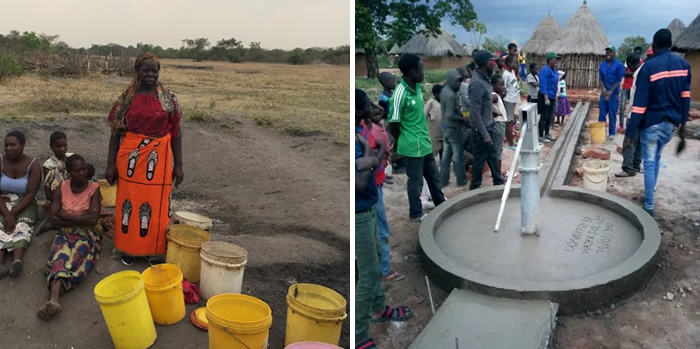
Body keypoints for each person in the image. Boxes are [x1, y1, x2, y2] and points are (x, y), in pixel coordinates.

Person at [105, 53, 184, 266]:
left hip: (160, 159)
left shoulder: (169, 99)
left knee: (157, 205)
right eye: (146, 70)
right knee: (130, 202)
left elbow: (176, 132)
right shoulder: (126, 99)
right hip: (131, 157)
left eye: (154, 70)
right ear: (137, 72)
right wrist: (110, 164)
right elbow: (115, 133)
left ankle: (155, 249)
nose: (150, 74)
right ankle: (130, 248)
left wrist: (179, 165)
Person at [355, 89, 413, 349]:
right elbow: (358, 182)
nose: (373, 107)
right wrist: (371, 153)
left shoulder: (362, 128)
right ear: (358, 111)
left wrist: (371, 159)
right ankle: (358, 335)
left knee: (377, 258)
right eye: (367, 105)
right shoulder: (357, 139)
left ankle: (378, 309)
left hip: (369, 205)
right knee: (367, 273)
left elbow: (368, 166)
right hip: (359, 211)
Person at [625, 29, 691, 217]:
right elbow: (685, 97)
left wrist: (630, 133)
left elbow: (639, 106)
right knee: (657, 158)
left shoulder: (649, 67)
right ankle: (649, 193)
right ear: (670, 45)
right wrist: (683, 126)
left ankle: (649, 204)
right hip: (670, 125)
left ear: (654, 45)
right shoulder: (684, 65)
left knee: (650, 162)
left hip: (652, 124)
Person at [38, 154, 102, 320]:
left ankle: (53, 300)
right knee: (59, 259)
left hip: (87, 234)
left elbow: (93, 219)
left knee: (77, 261)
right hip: (65, 232)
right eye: (77, 170)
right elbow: (53, 217)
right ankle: (54, 301)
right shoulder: (62, 187)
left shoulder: (94, 188)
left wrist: (65, 216)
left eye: (84, 169)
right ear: (69, 172)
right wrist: (80, 217)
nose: (82, 173)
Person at [388, 54, 446, 221]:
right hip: (412, 146)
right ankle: (416, 213)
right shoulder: (399, 94)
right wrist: (402, 140)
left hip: (424, 143)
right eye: (421, 70)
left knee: (434, 177)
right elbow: (393, 123)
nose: (423, 72)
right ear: (413, 72)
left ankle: (441, 205)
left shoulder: (418, 87)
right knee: (415, 182)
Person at [0, 131, 41, 278]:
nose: (9, 148)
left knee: (22, 226)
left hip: (24, 203)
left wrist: (13, 213)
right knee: (2, 226)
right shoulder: (0, 161)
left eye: (13, 145)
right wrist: (6, 214)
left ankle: (17, 260)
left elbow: (31, 194)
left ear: (22, 145)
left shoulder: (33, 165)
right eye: (6, 145)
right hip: (2, 202)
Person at [468, 50, 505, 190]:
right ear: (485, 63)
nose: (494, 63)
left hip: (487, 126)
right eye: (492, 61)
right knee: (479, 161)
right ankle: (474, 188)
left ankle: (498, 182)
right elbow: (475, 112)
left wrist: (492, 123)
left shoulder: (485, 79)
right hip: (480, 131)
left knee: (492, 156)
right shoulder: (477, 83)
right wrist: (484, 134)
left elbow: (485, 107)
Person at [615, 53, 644, 178]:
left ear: (631, 65)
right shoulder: (645, 70)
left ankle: (628, 168)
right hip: (644, 113)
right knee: (639, 142)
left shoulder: (637, 74)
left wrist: (630, 114)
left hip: (635, 113)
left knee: (629, 141)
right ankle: (636, 165)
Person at [440, 70, 467, 188]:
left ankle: (443, 180)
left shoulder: (444, 91)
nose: (459, 85)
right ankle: (461, 180)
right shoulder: (451, 95)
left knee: (446, 155)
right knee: (458, 156)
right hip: (453, 127)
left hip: (445, 127)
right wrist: (463, 120)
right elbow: (450, 114)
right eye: (457, 82)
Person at [377, 72, 404, 175]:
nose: (395, 83)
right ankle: (396, 166)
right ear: (388, 83)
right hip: (390, 122)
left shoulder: (391, 95)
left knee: (399, 142)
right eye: (393, 81)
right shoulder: (383, 98)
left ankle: (400, 162)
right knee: (392, 144)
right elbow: (383, 113)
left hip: (395, 121)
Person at [598, 45, 626, 140]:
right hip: (604, 93)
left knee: (612, 114)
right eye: (607, 51)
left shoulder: (619, 65)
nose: (608, 53)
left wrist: (610, 91)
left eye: (610, 51)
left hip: (613, 94)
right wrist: (604, 90)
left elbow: (618, 80)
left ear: (614, 53)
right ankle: (600, 133)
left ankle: (611, 133)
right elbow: (601, 79)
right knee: (602, 114)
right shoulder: (602, 65)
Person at [43, 131, 73, 203]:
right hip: (57, 199)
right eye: (58, 146)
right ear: (51, 147)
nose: (62, 149)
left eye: (64, 145)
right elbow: (48, 192)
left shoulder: (72, 158)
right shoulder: (48, 165)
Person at [538, 52, 561, 143]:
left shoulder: (554, 70)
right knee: (544, 116)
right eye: (554, 59)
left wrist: (555, 96)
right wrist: (546, 97)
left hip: (552, 96)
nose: (556, 61)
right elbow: (543, 84)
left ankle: (547, 133)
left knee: (550, 116)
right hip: (545, 96)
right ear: (549, 60)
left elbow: (554, 83)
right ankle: (540, 135)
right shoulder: (545, 71)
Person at [619, 46, 643, 130]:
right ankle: (621, 125)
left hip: (635, 113)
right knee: (622, 105)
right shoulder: (637, 69)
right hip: (626, 87)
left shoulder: (640, 70)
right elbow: (622, 73)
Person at [491, 75, 508, 177]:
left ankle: (497, 172)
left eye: (503, 85)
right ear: (493, 85)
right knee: (498, 150)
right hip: (498, 123)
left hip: (500, 122)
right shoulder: (494, 96)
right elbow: (486, 101)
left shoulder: (497, 95)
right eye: (500, 85)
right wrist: (492, 113)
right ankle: (497, 175)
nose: (503, 87)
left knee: (496, 149)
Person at [503, 55, 520, 147]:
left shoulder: (512, 72)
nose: (515, 63)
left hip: (513, 100)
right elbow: (503, 88)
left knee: (511, 120)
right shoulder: (506, 74)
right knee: (509, 121)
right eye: (514, 62)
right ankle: (511, 142)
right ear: (509, 63)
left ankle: (510, 140)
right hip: (509, 100)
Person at [424, 84, 444, 162]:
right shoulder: (431, 103)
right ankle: (431, 162)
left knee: (443, 148)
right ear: (435, 94)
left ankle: (443, 161)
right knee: (433, 148)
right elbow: (424, 114)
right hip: (433, 132)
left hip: (443, 130)